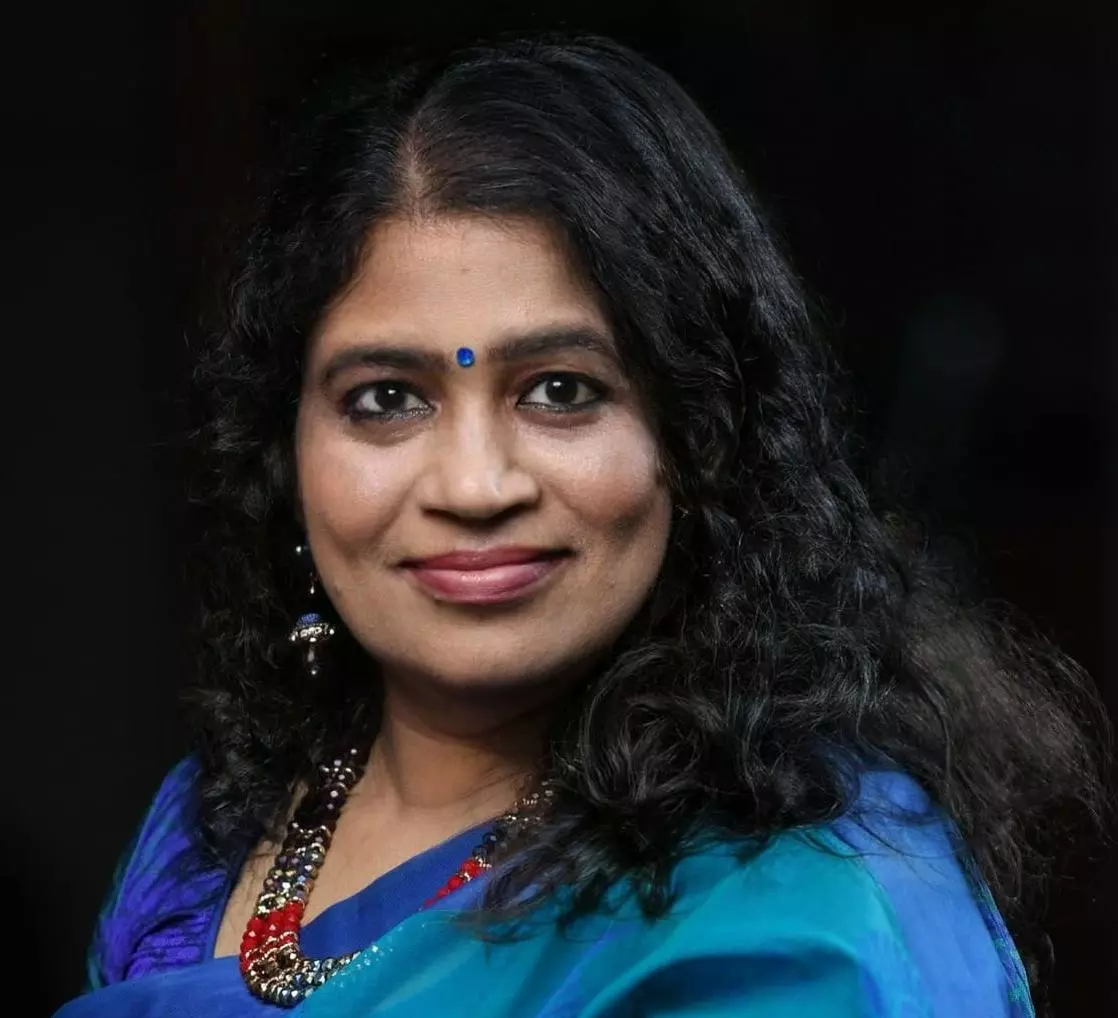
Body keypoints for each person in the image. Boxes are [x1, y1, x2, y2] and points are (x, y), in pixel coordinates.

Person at [56, 31, 1109, 1018]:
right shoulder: (206, 838)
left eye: (560, 391)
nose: (474, 486)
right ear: (282, 451)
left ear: (704, 436)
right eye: (386, 398)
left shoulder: (789, 921)